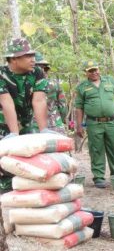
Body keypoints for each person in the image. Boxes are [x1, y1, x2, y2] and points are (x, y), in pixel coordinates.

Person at [0, 38, 48, 192]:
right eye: (27, 56)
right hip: (3, 124)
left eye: (32, 55)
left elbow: (39, 101)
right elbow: (6, 103)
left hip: (26, 123)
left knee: (29, 164)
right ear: (13, 58)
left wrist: (43, 130)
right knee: (4, 166)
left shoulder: (37, 72)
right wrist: (14, 133)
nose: (33, 59)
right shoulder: (1, 74)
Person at [74, 60, 114, 188]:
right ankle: (99, 177)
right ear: (86, 73)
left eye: (96, 69)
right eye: (91, 71)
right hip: (94, 123)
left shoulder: (109, 81)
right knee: (96, 149)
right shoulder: (82, 87)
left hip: (111, 122)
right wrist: (79, 125)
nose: (94, 72)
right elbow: (79, 107)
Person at [35, 53, 68, 134]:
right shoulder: (55, 84)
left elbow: (63, 107)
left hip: (37, 126)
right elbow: (63, 107)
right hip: (54, 124)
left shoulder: (27, 85)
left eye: (46, 69)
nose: (44, 71)